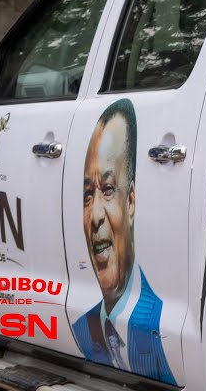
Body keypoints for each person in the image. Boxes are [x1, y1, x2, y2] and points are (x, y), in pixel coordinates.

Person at [73, 99, 175, 383]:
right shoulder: (80, 329)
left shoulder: (163, 327)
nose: (94, 216)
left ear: (131, 200)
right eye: (87, 196)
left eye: (107, 189)